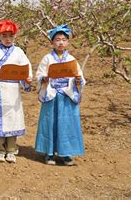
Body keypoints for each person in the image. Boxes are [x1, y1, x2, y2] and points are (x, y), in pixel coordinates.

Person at [35, 24, 85, 166]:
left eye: (63, 39)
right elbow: (40, 74)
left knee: (67, 124)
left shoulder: (72, 59)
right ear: (52, 42)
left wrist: (79, 80)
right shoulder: (47, 59)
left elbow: (79, 75)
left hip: (67, 94)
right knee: (50, 122)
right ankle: (49, 153)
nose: (61, 42)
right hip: (52, 94)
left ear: (68, 42)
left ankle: (66, 153)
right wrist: (44, 79)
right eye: (57, 39)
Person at [0, 19, 33, 163]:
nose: (8, 39)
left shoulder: (18, 52)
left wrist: (27, 78)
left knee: (13, 118)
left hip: (13, 91)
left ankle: (11, 149)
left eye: (11, 36)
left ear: (15, 37)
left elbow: (26, 67)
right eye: (4, 36)